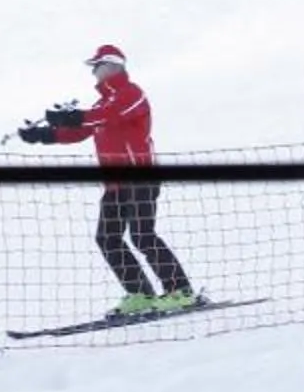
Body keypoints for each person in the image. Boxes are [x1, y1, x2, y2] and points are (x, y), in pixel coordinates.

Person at [18, 43, 196, 316]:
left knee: (142, 236)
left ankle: (180, 291)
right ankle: (141, 294)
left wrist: (73, 117)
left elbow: (108, 116)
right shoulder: (102, 103)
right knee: (107, 238)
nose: (93, 73)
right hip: (115, 184)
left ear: (113, 65)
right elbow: (82, 130)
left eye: (96, 67)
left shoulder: (131, 94)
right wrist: (46, 135)